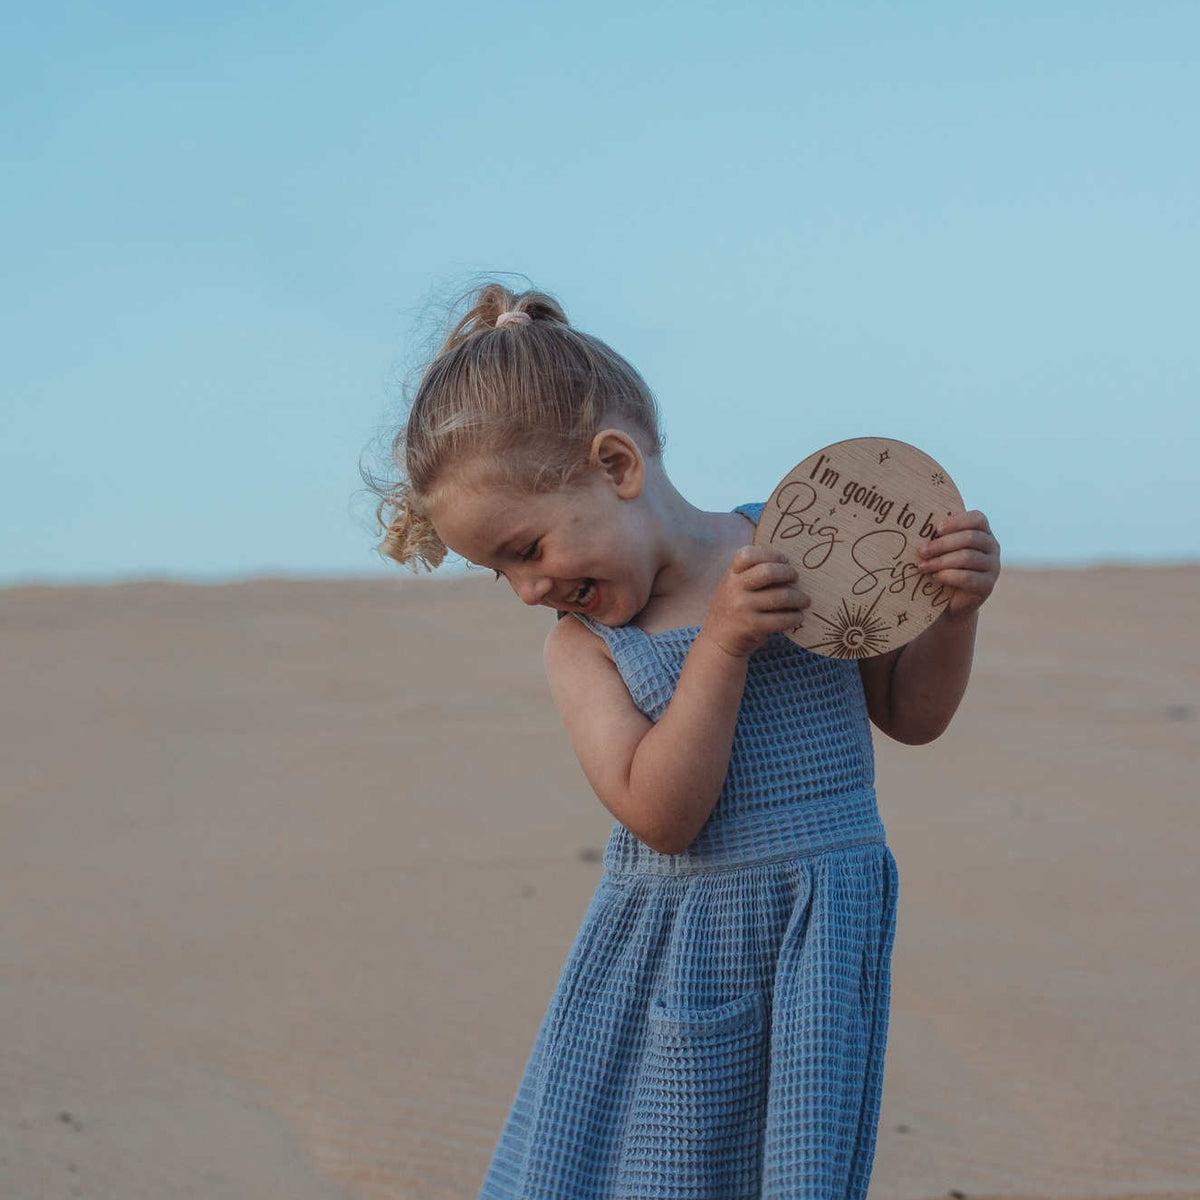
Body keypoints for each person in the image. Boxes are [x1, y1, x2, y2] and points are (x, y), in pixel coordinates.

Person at [373, 282, 1001, 1199]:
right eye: (496, 572)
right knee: (654, 1171)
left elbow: (913, 717)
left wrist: (953, 611)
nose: (527, 590)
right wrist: (721, 646)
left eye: (527, 547)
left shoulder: (800, 549)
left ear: (618, 464)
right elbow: (662, 815)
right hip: (682, 948)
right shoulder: (587, 649)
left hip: (820, 940)